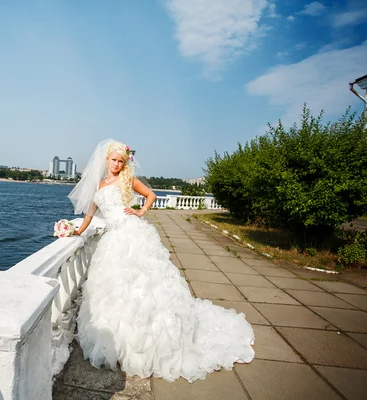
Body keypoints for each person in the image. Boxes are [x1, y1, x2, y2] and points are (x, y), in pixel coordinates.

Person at [68, 139, 255, 383]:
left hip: (132, 233)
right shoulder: (98, 185)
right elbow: (90, 215)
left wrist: (140, 211)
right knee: (116, 288)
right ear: (106, 160)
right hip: (113, 239)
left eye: (120, 161)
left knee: (145, 284)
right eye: (113, 160)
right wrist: (77, 231)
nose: (116, 164)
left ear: (124, 162)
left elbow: (151, 195)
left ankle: (151, 342)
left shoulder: (127, 179)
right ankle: (120, 341)